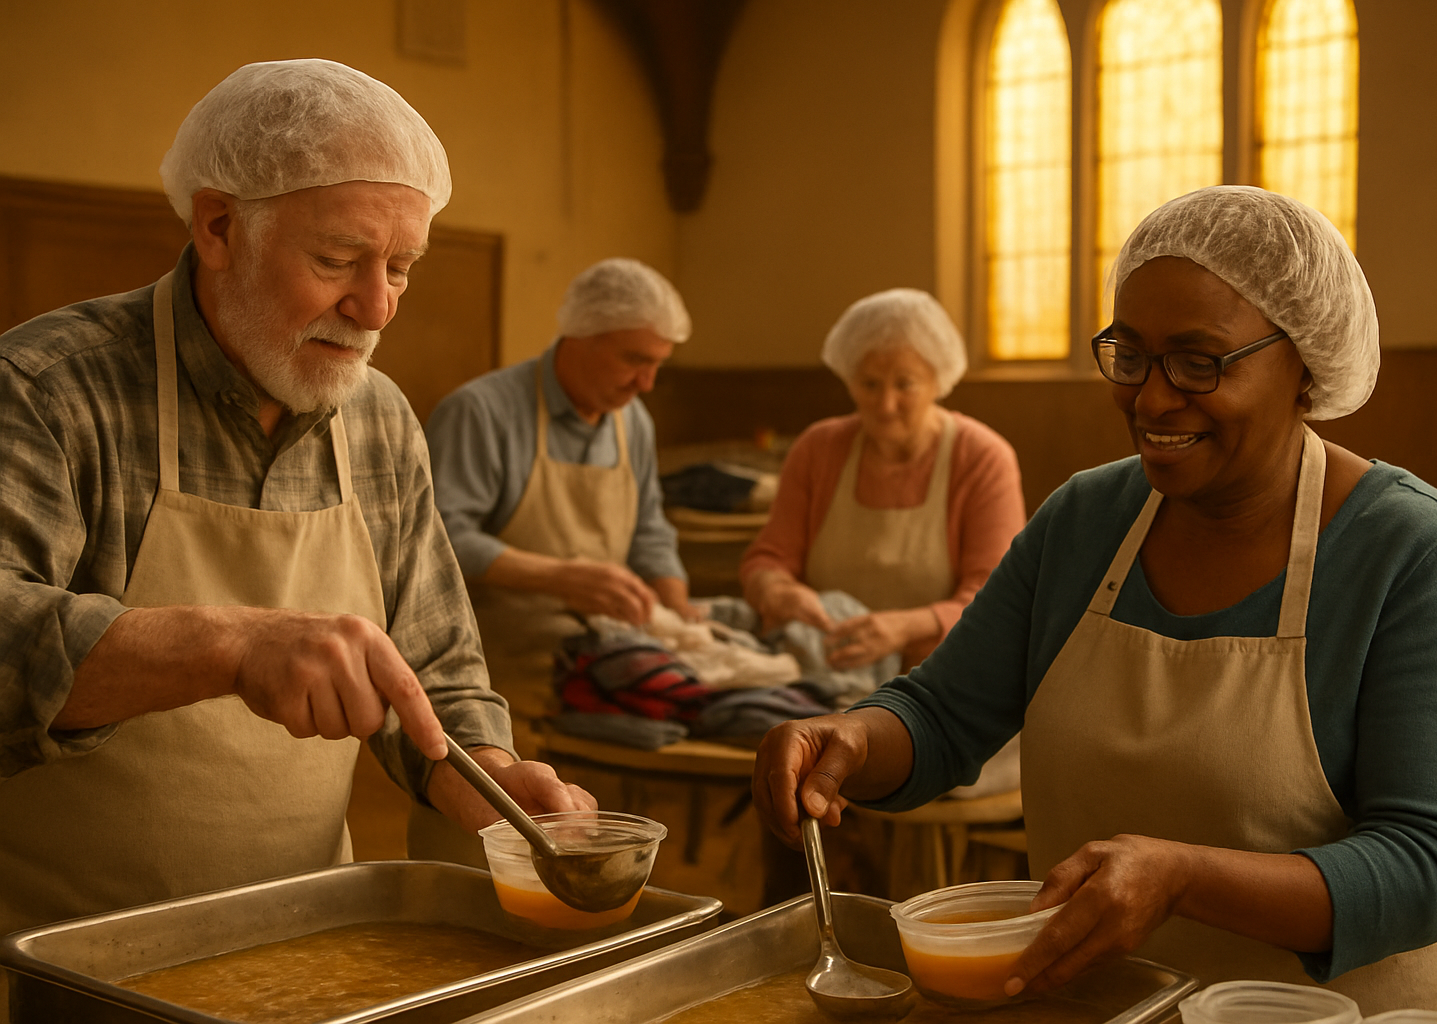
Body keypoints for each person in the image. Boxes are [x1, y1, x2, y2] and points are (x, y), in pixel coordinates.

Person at [752, 187, 1437, 1015]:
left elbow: (1429, 866)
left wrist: (1182, 877)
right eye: (1132, 355)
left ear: (1306, 362)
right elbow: (941, 715)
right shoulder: (1086, 521)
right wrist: (852, 738)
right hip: (1103, 1007)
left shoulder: (1411, 552)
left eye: (1197, 361)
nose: (1150, 399)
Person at [0, 59, 593, 941]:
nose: (377, 307)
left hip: (303, 938)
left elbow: (434, 665)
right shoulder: (52, 390)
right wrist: (231, 645)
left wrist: (487, 772)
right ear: (217, 226)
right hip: (67, 955)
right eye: (339, 259)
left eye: (403, 267)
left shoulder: (381, 419)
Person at [426, 258, 696, 737]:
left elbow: (649, 528)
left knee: (586, 809)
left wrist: (680, 611)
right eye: (635, 360)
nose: (647, 384)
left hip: (592, 657)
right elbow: (440, 537)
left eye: (658, 364)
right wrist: (561, 577)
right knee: (490, 807)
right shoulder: (483, 413)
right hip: (491, 666)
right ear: (579, 336)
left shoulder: (632, 421)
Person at [740, 288, 1025, 671]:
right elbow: (768, 557)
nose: (885, 405)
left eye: (905, 384)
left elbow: (995, 600)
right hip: (827, 666)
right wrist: (776, 590)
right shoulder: (818, 449)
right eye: (869, 384)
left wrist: (904, 629)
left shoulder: (981, 457)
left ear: (936, 381)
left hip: (940, 680)